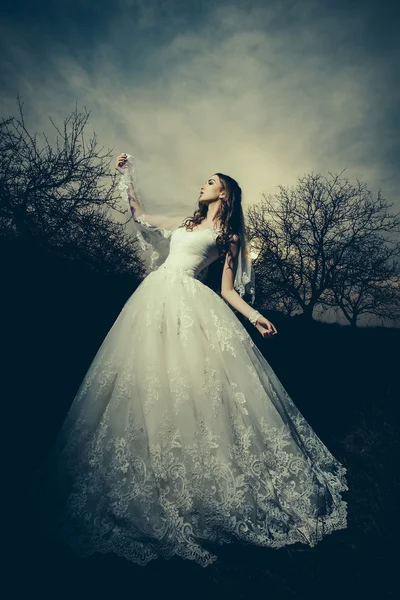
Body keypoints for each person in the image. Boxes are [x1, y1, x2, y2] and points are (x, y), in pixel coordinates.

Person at [33, 153, 348, 569]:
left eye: (210, 181)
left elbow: (228, 290)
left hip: (190, 303)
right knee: (144, 377)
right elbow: (141, 217)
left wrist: (255, 317)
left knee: (194, 384)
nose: (202, 185)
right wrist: (127, 176)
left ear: (225, 192)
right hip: (153, 298)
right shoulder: (186, 224)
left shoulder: (228, 237)